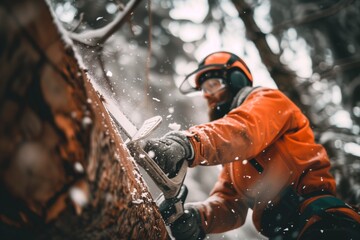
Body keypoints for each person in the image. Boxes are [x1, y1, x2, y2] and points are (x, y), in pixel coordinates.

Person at [135, 51, 360, 240]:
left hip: (322, 221)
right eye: (205, 90)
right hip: (286, 233)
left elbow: (244, 130)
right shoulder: (235, 159)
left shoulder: (267, 100)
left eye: (214, 84)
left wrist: (187, 143)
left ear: (236, 80)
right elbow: (230, 204)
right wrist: (198, 217)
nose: (209, 96)